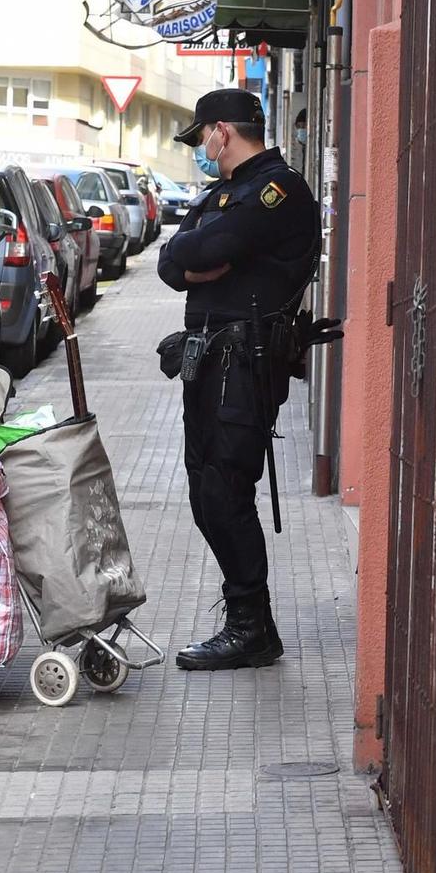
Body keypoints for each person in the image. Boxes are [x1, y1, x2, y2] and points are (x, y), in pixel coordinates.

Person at [158, 88, 320, 669]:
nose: (201, 147)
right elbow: (172, 260)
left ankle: (251, 625)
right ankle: (247, 619)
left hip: (245, 365)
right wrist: (191, 257)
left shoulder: (277, 190)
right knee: (206, 490)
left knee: (225, 489)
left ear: (222, 131)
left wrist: (199, 255)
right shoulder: (224, 193)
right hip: (208, 362)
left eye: (202, 136)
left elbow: (214, 244)